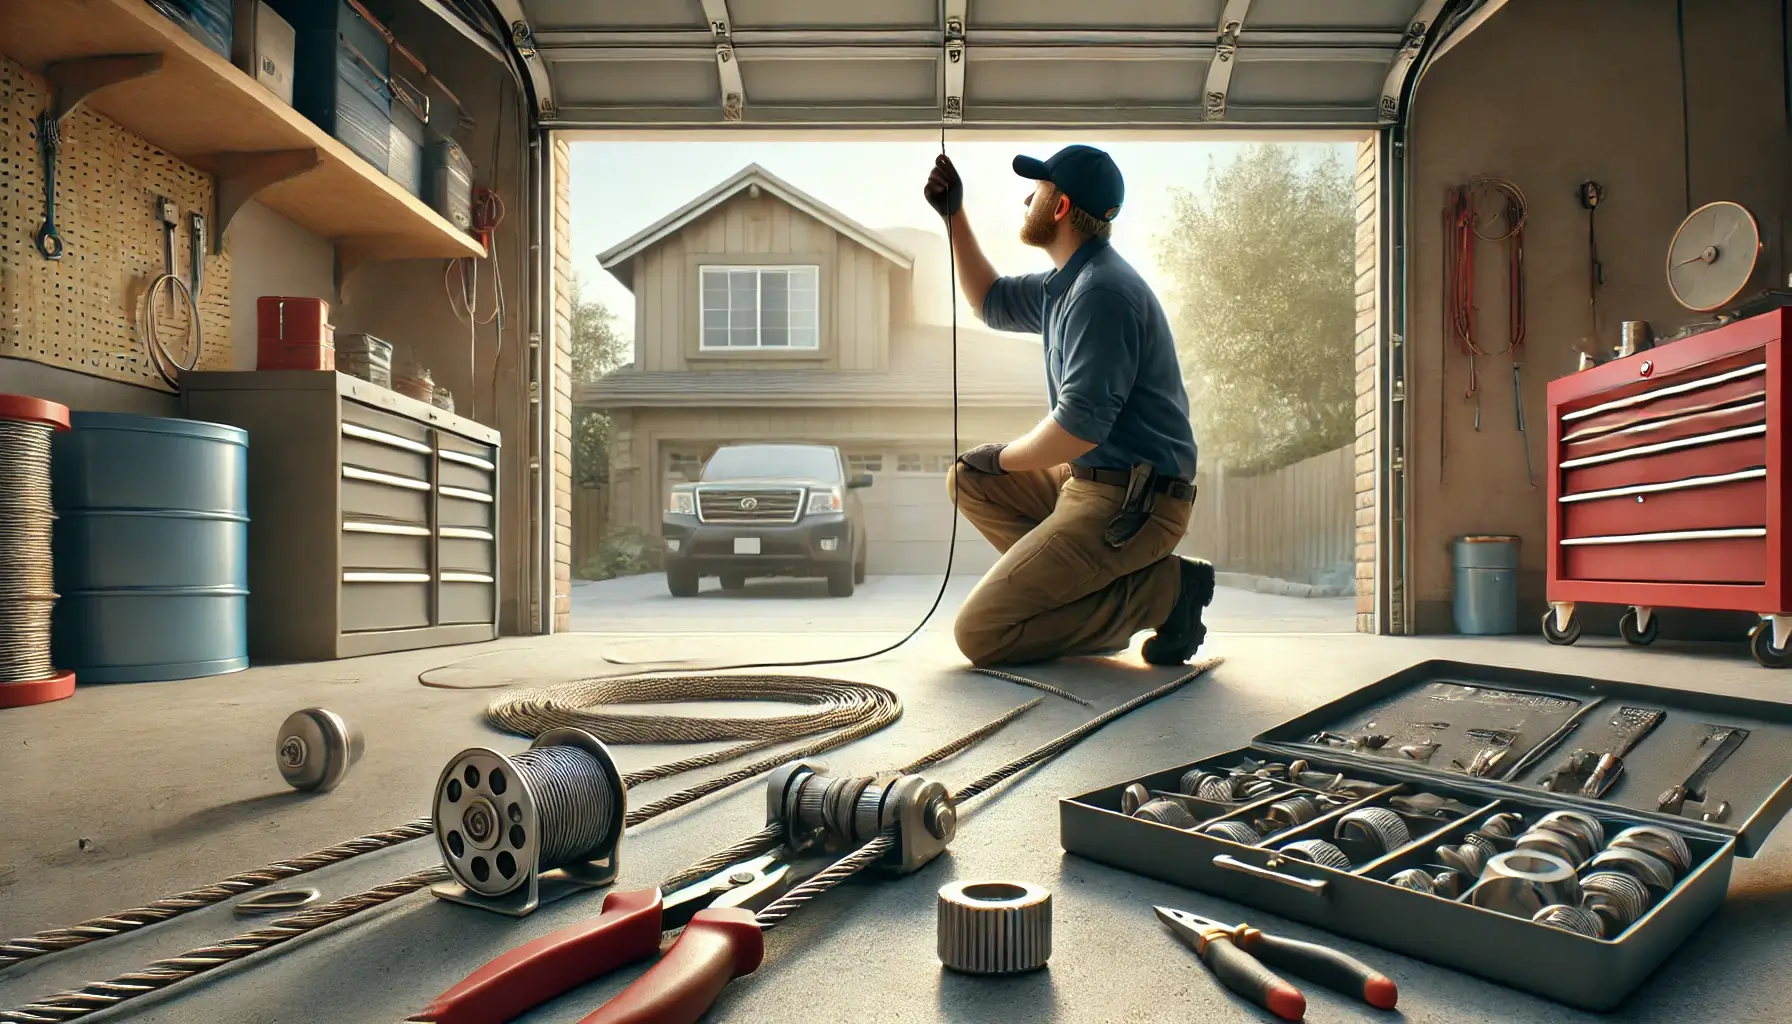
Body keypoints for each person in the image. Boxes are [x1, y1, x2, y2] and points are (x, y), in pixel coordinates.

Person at [923, 144, 1214, 667]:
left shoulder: (1102, 293)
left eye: (1037, 190)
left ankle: (1164, 593)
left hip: (1134, 503)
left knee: (983, 634)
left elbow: (1079, 426)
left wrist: (1006, 457)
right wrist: (954, 216)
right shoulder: (1069, 284)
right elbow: (987, 300)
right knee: (969, 477)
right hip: (1088, 482)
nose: (1026, 200)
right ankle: (1081, 584)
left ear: (1058, 208)